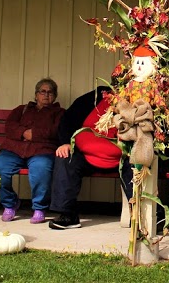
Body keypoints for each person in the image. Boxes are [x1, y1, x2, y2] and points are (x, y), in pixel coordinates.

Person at [47, 86, 133, 230]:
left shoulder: (136, 100)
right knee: (64, 158)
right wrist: (65, 143)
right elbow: (68, 119)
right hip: (85, 155)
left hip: (122, 157)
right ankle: (68, 215)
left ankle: (147, 216)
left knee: (137, 165)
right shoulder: (96, 97)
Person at [0, 77, 64, 224]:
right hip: (14, 149)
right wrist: (24, 133)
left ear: (55, 96)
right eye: (42, 91)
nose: (46, 95)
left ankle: (39, 208)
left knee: (41, 168)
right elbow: (10, 126)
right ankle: (10, 204)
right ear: (36, 94)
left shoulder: (60, 113)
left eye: (50, 92)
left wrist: (34, 134)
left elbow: (56, 131)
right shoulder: (22, 109)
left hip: (42, 150)